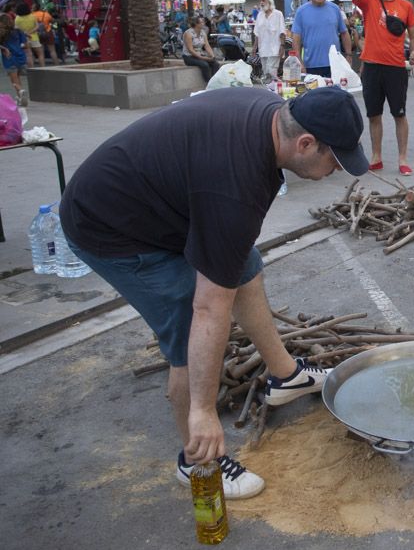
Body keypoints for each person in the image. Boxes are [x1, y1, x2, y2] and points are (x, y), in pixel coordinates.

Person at [59, 86, 370, 498]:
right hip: (110, 226)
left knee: (245, 263)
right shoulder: (237, 186)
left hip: (164, 204)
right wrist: (205, 409)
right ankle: (197, 460)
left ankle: (286, 377)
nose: (338, 170)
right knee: (187, 322)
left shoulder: (270, 116)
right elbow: (209, 307)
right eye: (336, 159)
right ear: (306, 143)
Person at [341, 0, 414, 175]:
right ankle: (376, 156)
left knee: (399, 114)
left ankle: (402, 159)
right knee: (374, 114)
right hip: (372, 67)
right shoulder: (368, 1)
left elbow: (413, 35)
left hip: (396, 68)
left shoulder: (406, 6)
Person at [291, 0, 352, 78]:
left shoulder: (335, 9)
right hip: (311, 65)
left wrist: (349, 55)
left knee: (335, 92)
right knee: (314, 93)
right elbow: (296, 38)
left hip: (335, 63)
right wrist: (299, 61)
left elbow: (344, 33)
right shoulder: (301, 11)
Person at [252, 0, 285, 81]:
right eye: (260, 1)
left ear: (269, 2)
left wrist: (282, 47)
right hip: (263, 49)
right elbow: (257, 33)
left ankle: (274, 90)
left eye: (263, 1)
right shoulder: (260, 15)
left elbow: (282, 32)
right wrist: (254, 48)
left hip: (275, 49)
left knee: (271, 72)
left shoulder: (278, 14)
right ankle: (270, 92)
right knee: (266, 73)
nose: (261, 3)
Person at [0, 12, 29, 105]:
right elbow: (25, 45)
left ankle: (21, 91)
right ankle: (20, 99)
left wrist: (4, 49)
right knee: (18, 78)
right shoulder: (18, 31)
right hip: (21, 57)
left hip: (9, 59)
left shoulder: (1, 32)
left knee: (14, 80)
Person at [182, 15, 220, 84]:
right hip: (189, 57)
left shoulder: (203, 32)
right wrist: (203, 58)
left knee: (215, 63)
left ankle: (215, 82)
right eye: (202, 22)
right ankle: (209, 83)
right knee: (204, 64)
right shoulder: (188, 34)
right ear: (197, 24)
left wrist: (212, 55)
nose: (204, 23)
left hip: (200, 54)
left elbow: (207, 45)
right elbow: (190, 50)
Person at [14, 3, 43, 67]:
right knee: (40, 54)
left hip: (24, 39)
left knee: (28, 54)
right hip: (34, 37)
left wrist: (25, 33)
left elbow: (17, 29)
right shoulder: (32, 16)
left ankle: (31, 69)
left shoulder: (17, 18)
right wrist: (30, 32)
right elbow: (37, 26)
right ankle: (42, 68)